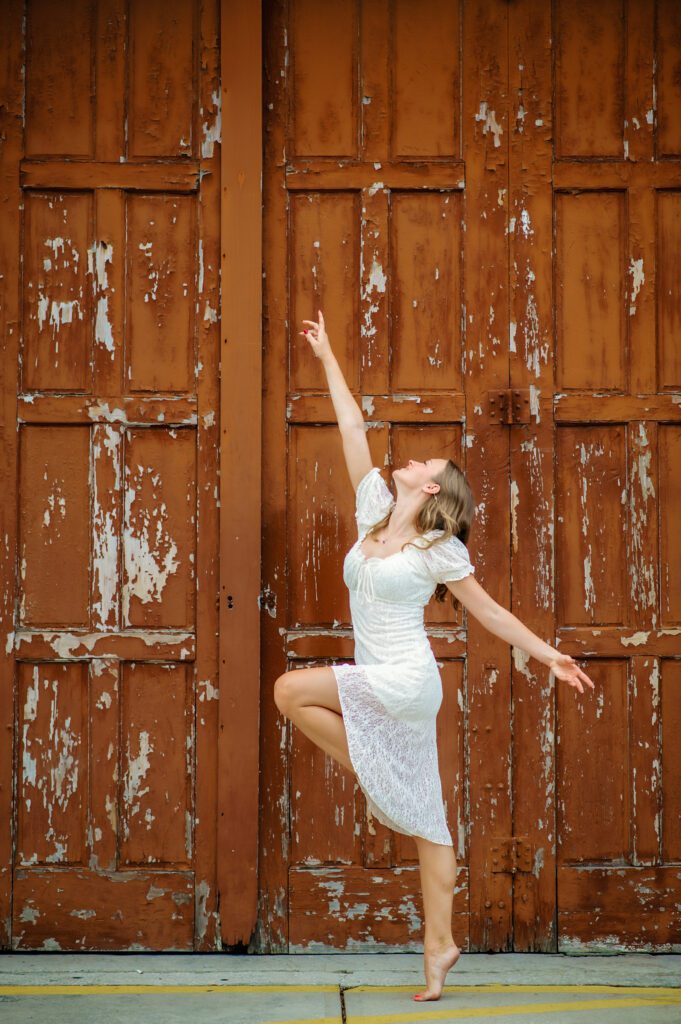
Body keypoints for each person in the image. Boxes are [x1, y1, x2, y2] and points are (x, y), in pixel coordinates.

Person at [273, 309, 595, 1002]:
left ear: (429, 491)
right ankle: (440, 945)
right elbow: (352, 430)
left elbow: (487, 611)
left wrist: (548, 656)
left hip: (406, 679)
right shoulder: (370, 513)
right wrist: (326, 354)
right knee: (423, 815)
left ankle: (376, 784)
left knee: (290, 692)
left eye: (425, 464)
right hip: (381, 675)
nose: (412, 459)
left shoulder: (435, 548)